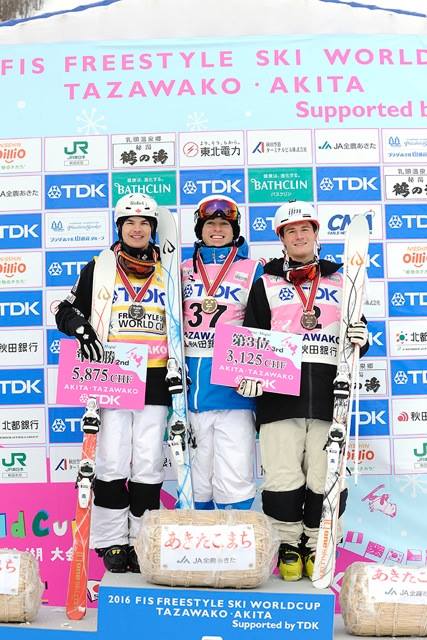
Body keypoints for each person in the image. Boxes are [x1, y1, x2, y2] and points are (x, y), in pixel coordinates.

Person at [237, 201, 369, 581]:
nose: (299, 236)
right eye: (290, 231)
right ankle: (289, 546)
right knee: (282, 479)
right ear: (281, 238)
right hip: (279, 398)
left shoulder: (343, 279)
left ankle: (317, 542)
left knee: (323, 479)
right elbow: (252, 335)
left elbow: (357, 334)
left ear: (315, 234)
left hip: (331, 397)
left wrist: (362, 338)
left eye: (305, 229)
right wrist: (249, 373)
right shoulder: (265, 282)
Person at [56, 194, 170, 573]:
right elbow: (65, 308)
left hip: (155, 377)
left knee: (149, 465)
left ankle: (143, 540)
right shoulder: (100, 266)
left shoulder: (169, 267)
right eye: (130, 222)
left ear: (153, 229)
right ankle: (111, 541)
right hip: (114, 378)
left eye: (144, 223)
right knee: (110, 461)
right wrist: (79, 326)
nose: (137, 229)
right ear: (119, 227)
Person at [181, 194, 263, 510]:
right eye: (210, 224)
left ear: (235, 230)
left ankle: (236, 552)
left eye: (224, 224)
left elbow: (269, 324)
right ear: (200, 229)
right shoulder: (182, 269)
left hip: (235, 392)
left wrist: (260, 372)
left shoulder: (254, 269)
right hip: (189, 393)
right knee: (196, 480)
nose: (217, 229)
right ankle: (198, 548)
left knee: (235, 477)